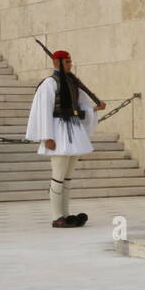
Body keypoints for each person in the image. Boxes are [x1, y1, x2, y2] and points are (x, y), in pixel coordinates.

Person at [25, 50, 105, 228]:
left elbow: (80, 105)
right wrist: (47, 137)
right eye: (67, 62)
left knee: (67, 177)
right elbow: (44, 111)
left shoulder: (71, 81)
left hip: (74, 130)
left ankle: (66, 214)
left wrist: (94, 109)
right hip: (58, 130)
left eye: (70, 61)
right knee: (58, 176)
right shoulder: (49, 83)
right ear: (57, 63)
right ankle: (56, 216)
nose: (71, 64)